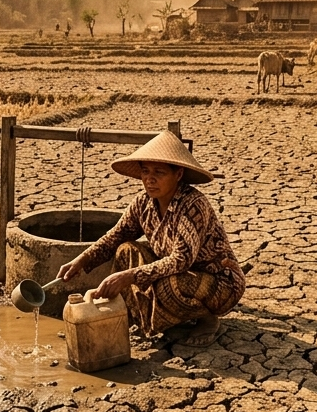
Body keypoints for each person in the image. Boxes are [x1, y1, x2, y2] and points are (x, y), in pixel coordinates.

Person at [57, 130, 244, 346]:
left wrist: (129, 276)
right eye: (145, 171)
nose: (149, 179)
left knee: (169, 285)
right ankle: (143, 317)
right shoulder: (143, 203)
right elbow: (115, 236)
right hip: (181, 273)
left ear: (179, 174)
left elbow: (181, 260)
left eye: (159, 172)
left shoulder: (193, 205)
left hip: (219, 283)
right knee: (125, 250)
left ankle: (206, 318)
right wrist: (82, 260)